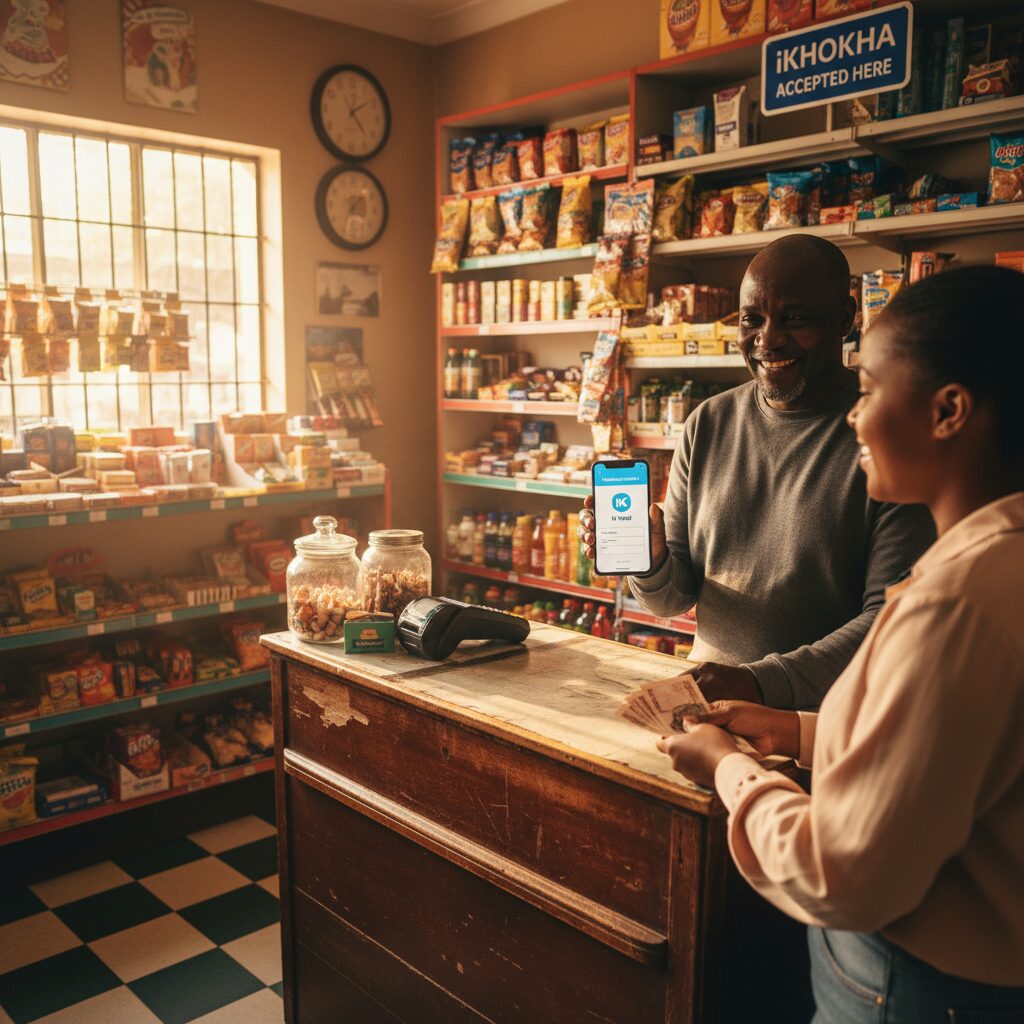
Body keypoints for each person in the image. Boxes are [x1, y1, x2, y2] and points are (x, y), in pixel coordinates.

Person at [657, 265, 1024, 1020]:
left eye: (871, 392)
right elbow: (939, 747)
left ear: (950, 410)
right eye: (751, 320)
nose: (855, 419)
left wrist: (732, 769)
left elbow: (840, 872)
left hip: (912, 982)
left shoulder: (953, 605)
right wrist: (792, 730)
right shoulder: (995, 560)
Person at [579, 234, 934, 708]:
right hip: (710, 708)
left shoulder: (883, 434)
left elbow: (889, 619)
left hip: (829, 724)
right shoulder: (707, 423)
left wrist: (759, 683)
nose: (768, 340)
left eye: (794, 318)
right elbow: (672, 598)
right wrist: (652, 558)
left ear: (846, 319)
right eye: (753, 320)